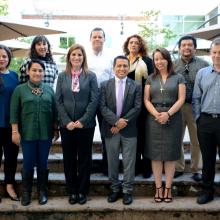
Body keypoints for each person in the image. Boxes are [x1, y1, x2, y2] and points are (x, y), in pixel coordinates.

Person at [10, 59, 59, 206]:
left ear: (43, 73)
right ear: (28, 72)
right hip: (27, 134)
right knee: (28, 163)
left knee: (43, 163)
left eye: (40, 70)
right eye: (34, 70)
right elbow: (14, 112)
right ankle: (27, 192)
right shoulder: (20, 90)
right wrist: (14, 131)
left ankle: (42, 192)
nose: (37, 73)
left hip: (45, 134)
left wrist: (56, 129)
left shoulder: (50, 89)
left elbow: (55, 111)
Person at [55, 44, 99, 205]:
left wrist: (83, 120)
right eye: (73, 55)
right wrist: (67, 121)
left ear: (83, 57)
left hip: (85, 126)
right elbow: (58, 100)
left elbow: (95, 100)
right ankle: (72, 191)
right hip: (67, 126)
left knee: (85, 159)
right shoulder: (62, 76)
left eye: (79, 55)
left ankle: (82, 191)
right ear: (69, 57)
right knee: (69, 159)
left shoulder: (91, 76)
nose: (76, 58)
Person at [144, 48, 185, 202]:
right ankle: (158, 188)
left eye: (162, 58)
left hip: (173, 118)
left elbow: (181, 99)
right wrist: (157, 114)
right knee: (155, 156)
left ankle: (168, 188)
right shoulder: (150, 78)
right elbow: (146, 100)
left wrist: (168, 114)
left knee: (170, 155)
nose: (159, 62)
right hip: (154, 119)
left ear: (168, 59)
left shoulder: (178, 77)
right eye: (156, 59)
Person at [100, 55, 142, 205]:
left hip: (129, 130)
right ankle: (114, 188)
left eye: (125, 66)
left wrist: (122, 123)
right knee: (112, 162)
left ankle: (127, 191)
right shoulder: (105, 85)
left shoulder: (136, 86)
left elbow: (137, 107)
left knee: (129, 162)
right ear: (114, 68)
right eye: (119, 66)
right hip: (111, 129)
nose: (122, 69)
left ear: (128, 68)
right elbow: (102, 107)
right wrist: (116, 122)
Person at [173, 35, 209, 181]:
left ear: (195, 48)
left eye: (190, 45)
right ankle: (178, 167)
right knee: (177, 138)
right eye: (184, 45)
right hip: (178, 107)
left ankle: (196, 169)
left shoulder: (204, 64)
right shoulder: (173, 65)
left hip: (196, 107)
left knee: (197, 140)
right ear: (180, 48)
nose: (186, 47)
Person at [192, 38, 220, 205]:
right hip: (206, 121)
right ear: (210, 54)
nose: (217, 56)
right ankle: (207, 191)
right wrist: (198, 118)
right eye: (214, 52)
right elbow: (196, 98)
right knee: (208, 159)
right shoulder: (202, 73)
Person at [123, 34, 153, 178]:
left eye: (136, 42)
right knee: (132, 137)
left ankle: (146, 168)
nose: (134, 45)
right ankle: (133, 167)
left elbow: (152, 81)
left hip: (144, 104)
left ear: (140, 45)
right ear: (127, 45)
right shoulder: (123, 61)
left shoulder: (147, 61)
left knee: (144, 136)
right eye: (131, 42)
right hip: (127, 105)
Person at [87, 27, 114, 175]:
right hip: (88, 99)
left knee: (106, 135)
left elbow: (112, 79)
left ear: (104, 39)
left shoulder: (110, 57)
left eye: (100, 37)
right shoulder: (85, 56)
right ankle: (87, 166)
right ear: (90, 39)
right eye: (94, 37)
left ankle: (107, 166)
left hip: (105, 99)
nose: (97, 39)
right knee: (86, 134)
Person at [0, 45, 19, 202]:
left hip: (11, 125)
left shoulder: (14, 76)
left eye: (4, 56)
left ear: (9, 58)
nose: (1, 59)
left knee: (11, 157)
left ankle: (9, 185)